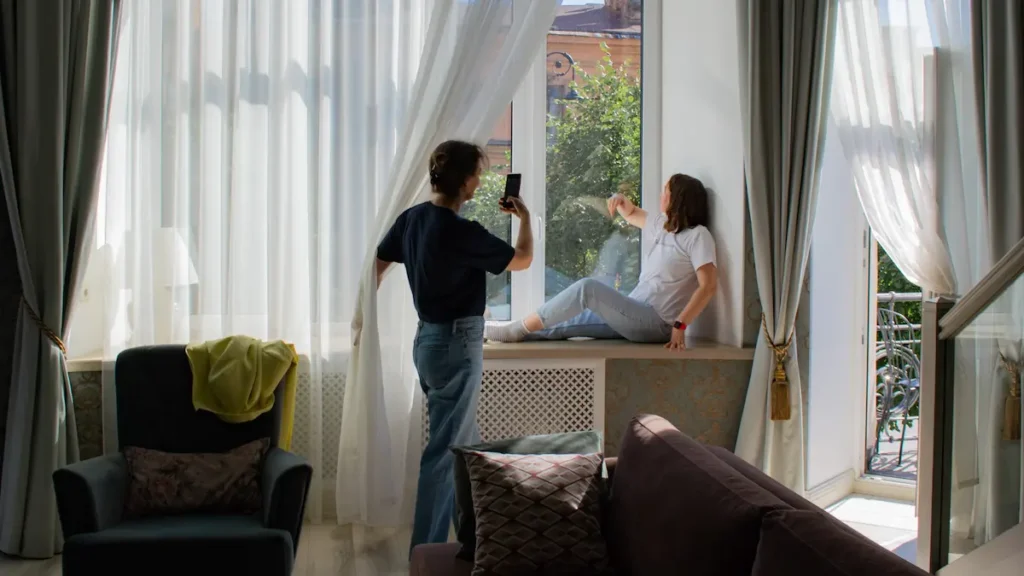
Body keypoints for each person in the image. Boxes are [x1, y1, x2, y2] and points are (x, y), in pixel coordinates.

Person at [375, 140, 533, 552]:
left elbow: (379, 258)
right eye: (477, 175)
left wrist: (364, 315)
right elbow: (523, 260)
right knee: (445, 453)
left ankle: (473, 540)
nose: (480, 182)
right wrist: (526, 218)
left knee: (467, 446)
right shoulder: (461, 231)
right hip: (457, 344)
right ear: (466, 183)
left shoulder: (412, 219)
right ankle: (423, 553)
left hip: (426, 343)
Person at [485, 173, 717, 350]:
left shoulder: (698, 236)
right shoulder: (664, 226)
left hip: (657, 322)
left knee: (588, 289)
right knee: (571, 321)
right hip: (635, 311)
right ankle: (500, 331)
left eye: (665, 191)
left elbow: (708, 286)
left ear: (678, 198)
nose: (661, 195)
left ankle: (514, 330)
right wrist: (619, 200)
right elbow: (632, 213)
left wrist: (680, 325)